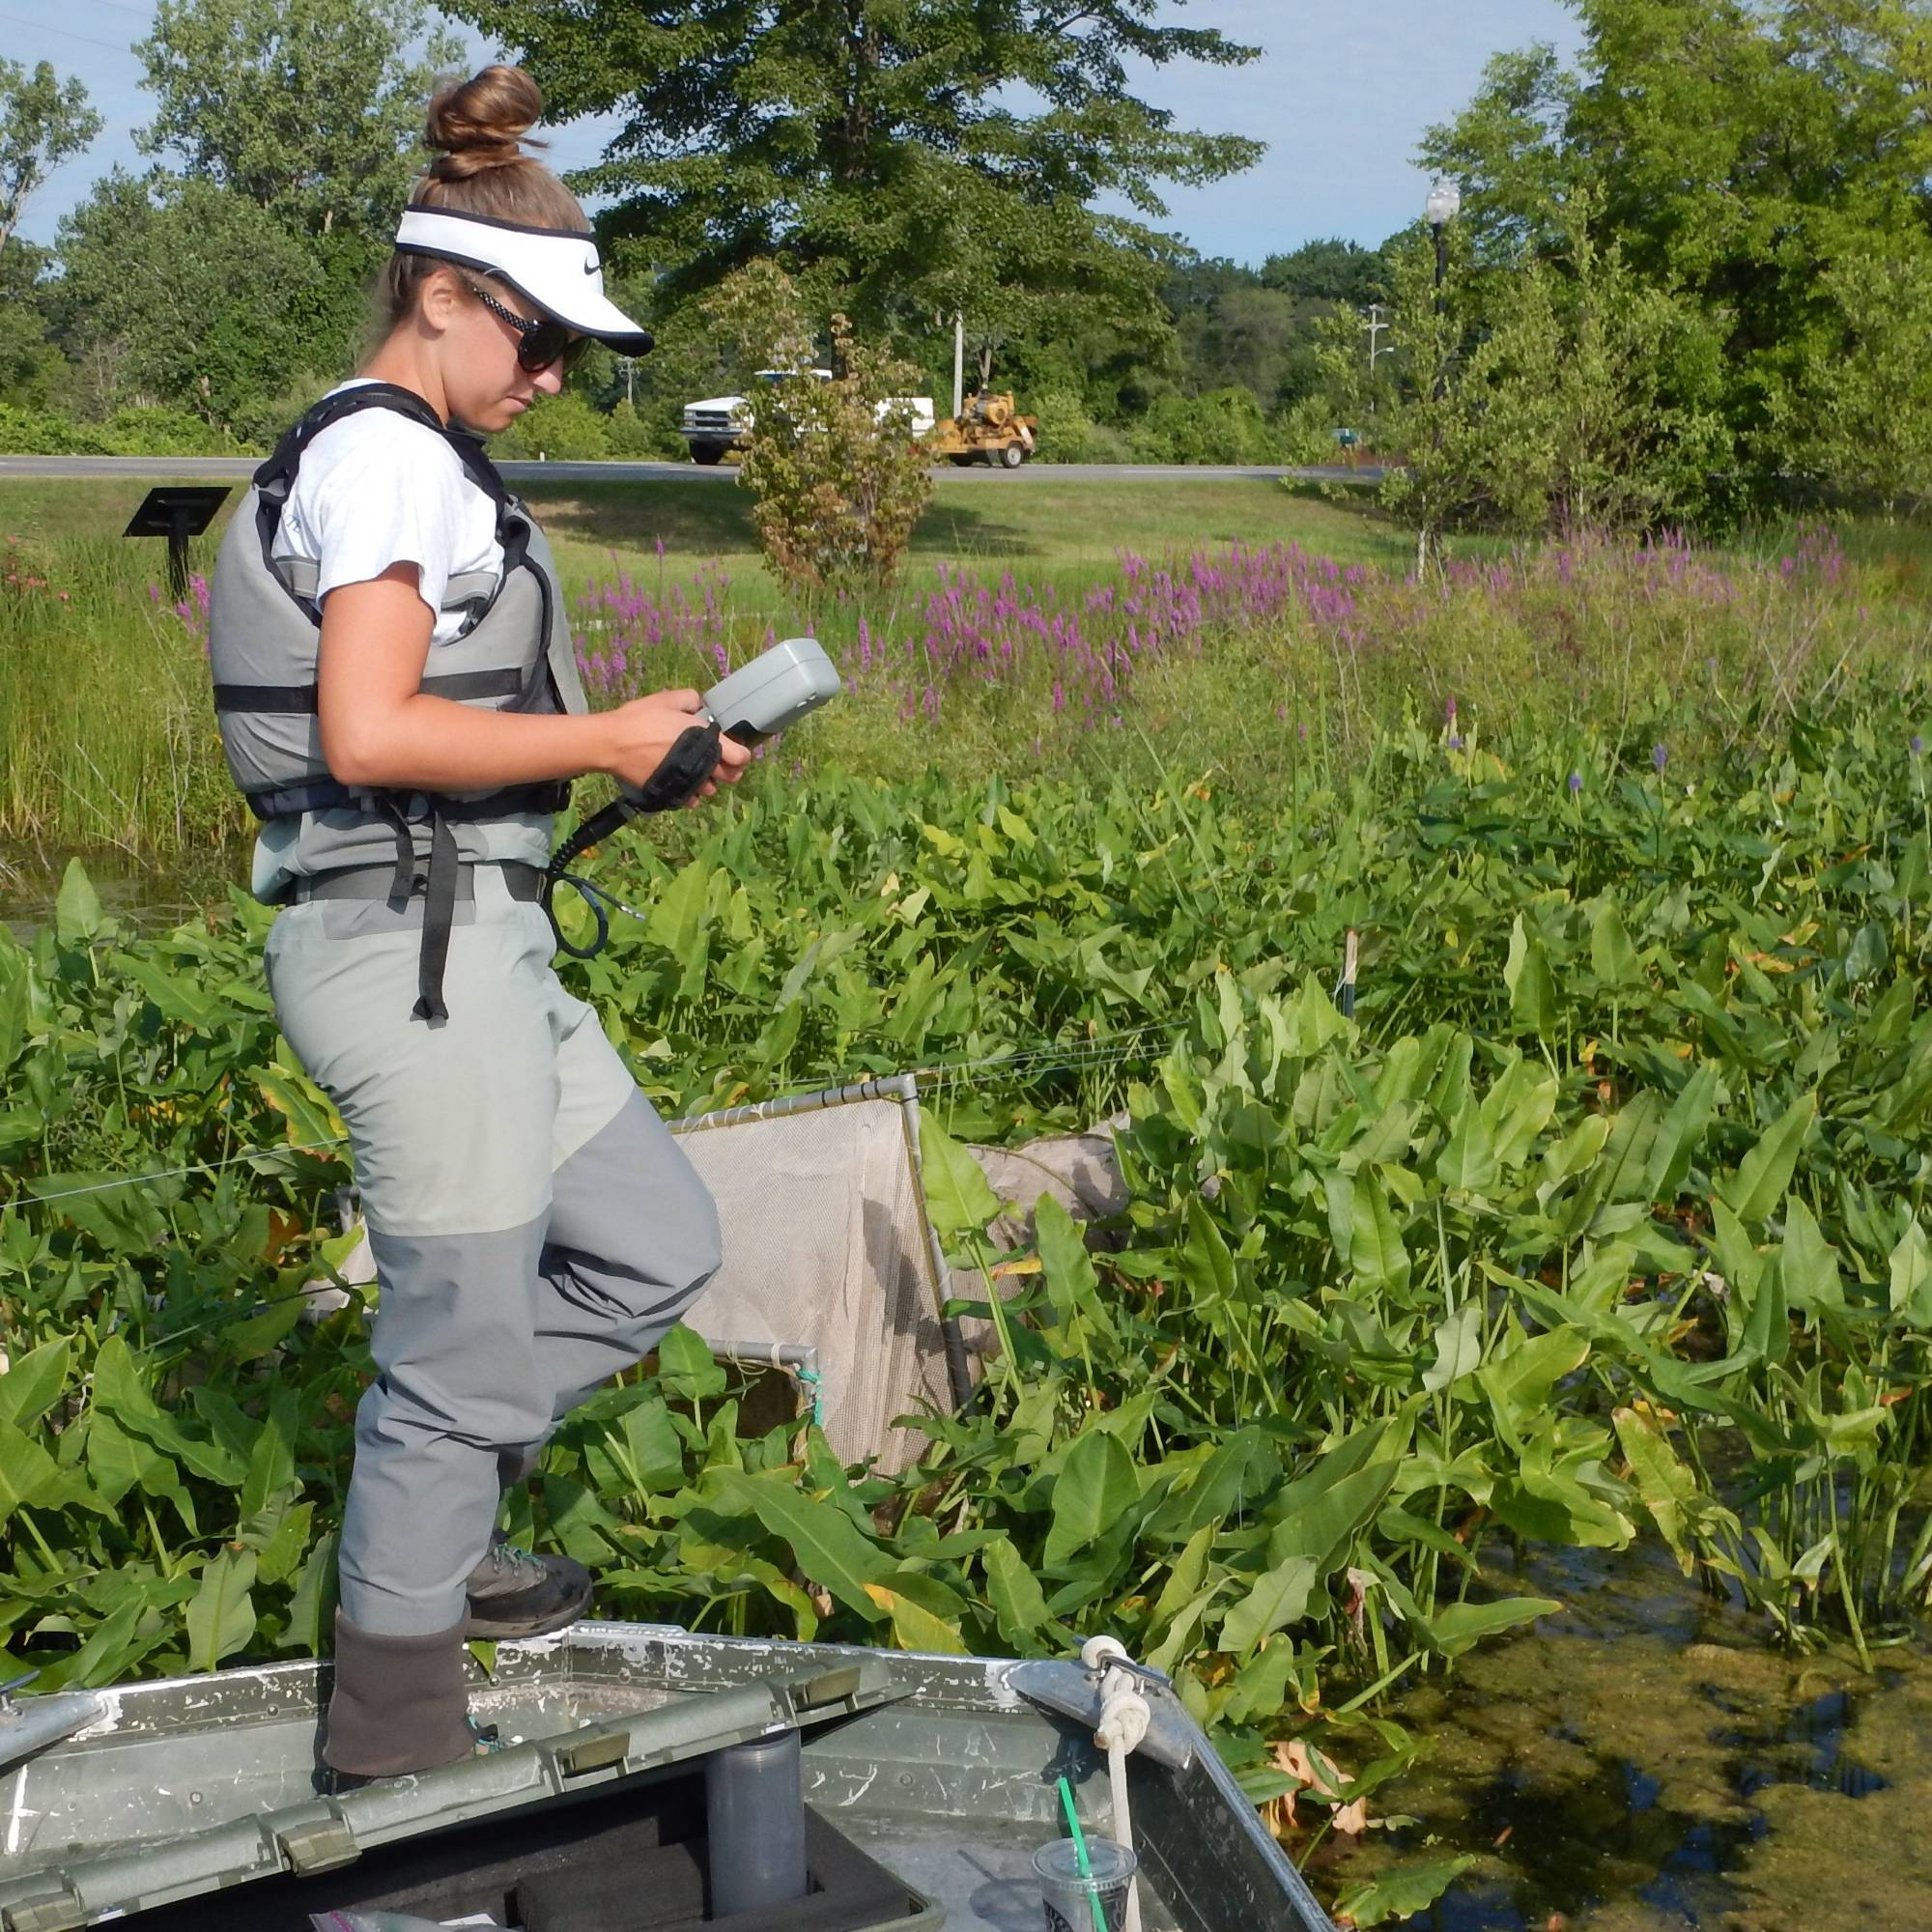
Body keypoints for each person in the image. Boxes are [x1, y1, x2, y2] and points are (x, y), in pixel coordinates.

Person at [205, 64, 750, 1783]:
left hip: (481, 942)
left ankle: (437, 1522)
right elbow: (367, 736)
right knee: (454, 1350)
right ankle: (390, 1749)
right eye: (539, 338)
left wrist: (623, 762)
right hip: (405, 961)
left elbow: (443, 728)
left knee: (652, 1244)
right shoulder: (387, 459)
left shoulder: (420, 456)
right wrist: (596, 736)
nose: (556, 374)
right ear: (441, 296)